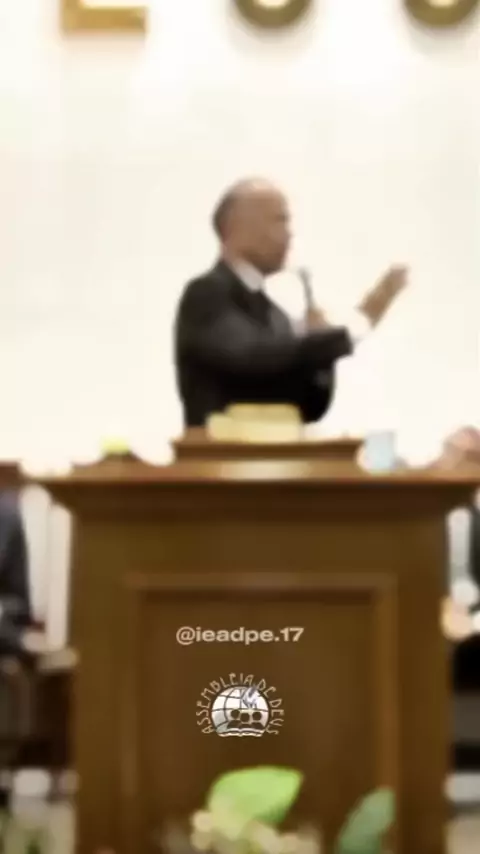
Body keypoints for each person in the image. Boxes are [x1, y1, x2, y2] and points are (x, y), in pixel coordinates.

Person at [174, 178, 408, 427]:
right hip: (218, 451)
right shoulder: (206, 294)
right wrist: (351, 328)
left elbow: (310, 406)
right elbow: (253, 357)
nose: (289, 233)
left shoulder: (276, 316)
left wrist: (319, 349)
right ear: (237, 227)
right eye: (279, 220)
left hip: (280, 450)